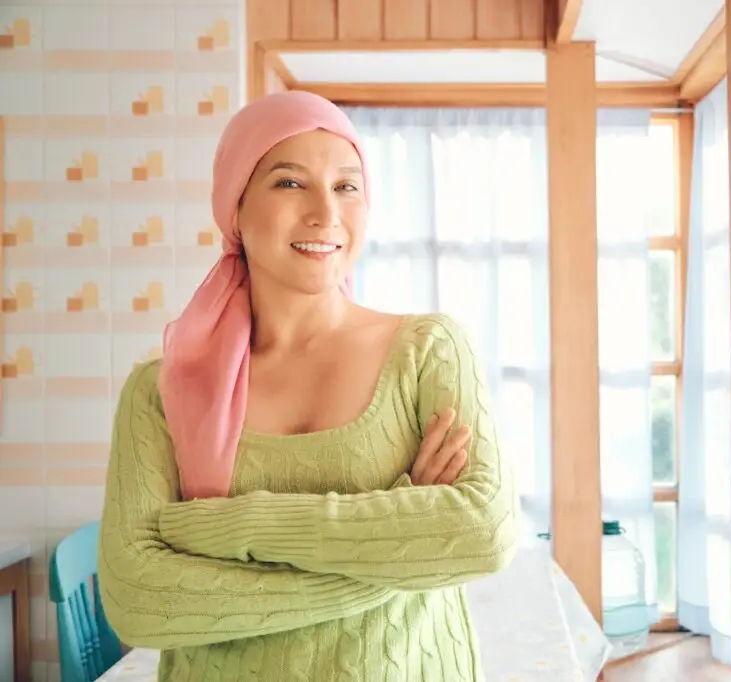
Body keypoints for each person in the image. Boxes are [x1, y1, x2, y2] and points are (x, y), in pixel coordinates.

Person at [97, 90, 520, 681]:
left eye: (347, 186)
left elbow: (484, 532)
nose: (326, 212)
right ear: (235, 207)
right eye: (290, 182)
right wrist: (396, 551)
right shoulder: (159, 392)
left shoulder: (429, 351)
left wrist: (225, 527)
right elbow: (138, 601)